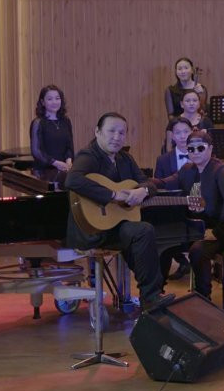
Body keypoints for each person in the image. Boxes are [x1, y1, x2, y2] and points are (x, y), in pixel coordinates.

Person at [65, 113, 169, 309]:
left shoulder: (125, 158)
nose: (116, 137)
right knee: (142, 232)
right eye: (111, 131)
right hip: (93, 230)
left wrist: (143, 190)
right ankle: (151, 297)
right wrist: (112, 195)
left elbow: (147, 182)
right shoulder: (88, 155)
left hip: (116, 226)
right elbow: (72, 180)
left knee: (143, 231)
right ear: (97, 132)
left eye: (121, 133)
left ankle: (151, 296)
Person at [150, 130, 224, 299]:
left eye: (200, 148)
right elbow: (164, 183)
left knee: (197, 250)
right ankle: (155, 295)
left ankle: (203, 296)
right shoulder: (187, 169)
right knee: (166, 247)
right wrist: (143, 185)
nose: (195, 152)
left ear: (210, 148)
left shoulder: (221, 170)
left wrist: (216, 231)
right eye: (191, 149)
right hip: (198, 229)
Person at [154, 117, 195, 281]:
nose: (183, 136)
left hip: (196, 206)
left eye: (186, 131)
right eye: (178, 132)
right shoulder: (163, 159)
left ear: (192, 132)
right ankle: (176, 264)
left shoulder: (200, 153)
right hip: (172, 207)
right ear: (172, 135)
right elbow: (159, 186)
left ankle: (191, 262)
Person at [29, 84, 74, 183]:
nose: (54, 102)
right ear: (42, 102)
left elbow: (69, 146)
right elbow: (36, 151)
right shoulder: (38, 123)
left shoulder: (66, 121)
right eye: (50, 99)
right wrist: (55, 163)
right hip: (43, 173)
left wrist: (69, 160)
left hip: (64, 170)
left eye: (57, 98)